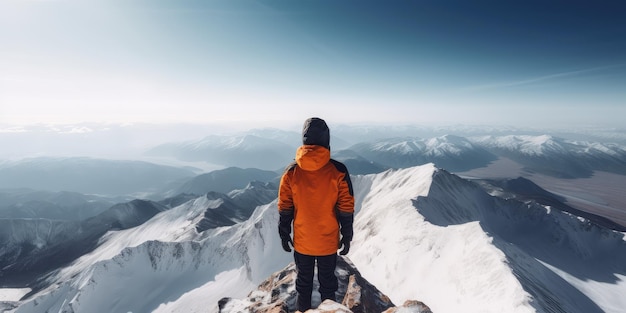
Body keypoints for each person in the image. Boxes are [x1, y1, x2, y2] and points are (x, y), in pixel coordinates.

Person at [278, 117, 355, 312]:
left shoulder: (291, 172)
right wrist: (347, 234)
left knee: (303, 286)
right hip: (327, 241)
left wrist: (284, 232)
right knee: (328, 285)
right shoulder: (338, 171)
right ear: (326, 140)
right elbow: (346, 206)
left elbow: (285, 205)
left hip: (303, 241)